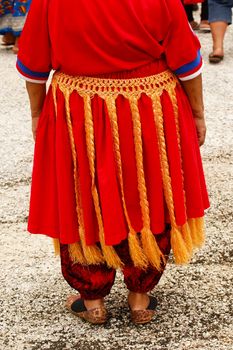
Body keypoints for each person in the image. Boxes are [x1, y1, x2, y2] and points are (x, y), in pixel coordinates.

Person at [17, 0, 209, 325]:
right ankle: (139, 296)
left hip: (78, 107)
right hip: (147, 107)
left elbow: (34, 63)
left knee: (84, 199)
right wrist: (198, 112)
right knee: (147, 197)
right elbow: (186, 60)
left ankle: (92, 299)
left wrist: (37, 113)